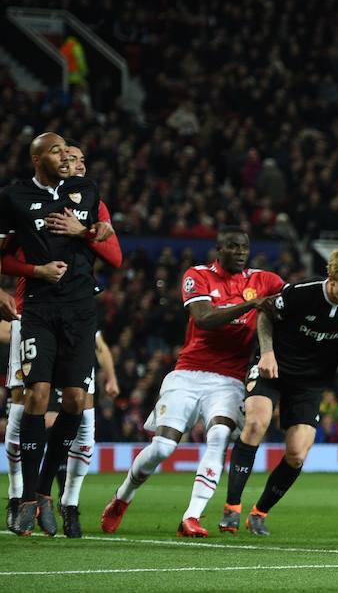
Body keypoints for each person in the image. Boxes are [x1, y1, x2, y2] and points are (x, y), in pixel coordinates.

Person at [100, 226, 283, 537]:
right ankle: (122, 497)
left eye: (244, 247)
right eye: (232, 246)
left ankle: (191, 516)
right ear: (219, 249)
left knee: (219, 437)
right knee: (162, 447)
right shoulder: (197, 275)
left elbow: (292, 300)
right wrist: (251, 305)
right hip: (188, 373)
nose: (239, 252)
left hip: (229, 379)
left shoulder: (264, 281)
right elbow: (204, 318)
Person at [2, 139, 122, 537]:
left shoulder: (87, 191)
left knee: (74, 401)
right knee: (34, 395)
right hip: (37, 307)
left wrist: (88, 230)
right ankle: (24, 498)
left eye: (71, 155)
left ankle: (44, 492)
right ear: (38, 159)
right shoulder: (14, 197)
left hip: (81, 311)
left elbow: (111, 250)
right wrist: (34, 272)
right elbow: (2, 254)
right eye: (58, 153)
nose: (68, 159)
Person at [218, 249, 338, 536]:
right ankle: (231, 508)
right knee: (256, 424)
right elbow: (265, 314)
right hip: (273, 368)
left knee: (296, 453)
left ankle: (259, 513)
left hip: (310, 383)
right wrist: (266, 353)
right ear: (332, 279)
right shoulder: (301, 292)